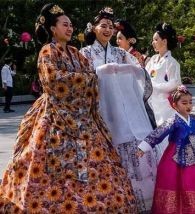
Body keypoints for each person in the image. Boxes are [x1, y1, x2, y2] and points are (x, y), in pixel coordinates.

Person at [0, 4, 137, 212]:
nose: (70, 28)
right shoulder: (47, 51)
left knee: (96, 165)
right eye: (65, 25)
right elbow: (53, 81)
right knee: (46, 164)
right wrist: (84, 80)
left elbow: (92, 76)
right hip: (54, 115)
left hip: (82, 117)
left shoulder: (75, 52)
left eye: (71, 25)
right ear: (53, 29)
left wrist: (84, 80)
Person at [80, 7, 157, 212]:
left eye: (111, 27)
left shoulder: (120, 53)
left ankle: (135, 198)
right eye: (103, 26)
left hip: (123, 110)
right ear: (93, 28)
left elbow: (140, 74)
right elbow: (80, 82)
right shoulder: (84, 53)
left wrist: (136, 71)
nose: (107, 30)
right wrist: (99, 73)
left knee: (130, 146)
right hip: (98, 109)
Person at [137, 85, 195, 213]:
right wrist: (144, 147)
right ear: (175, 105)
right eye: (184, 103)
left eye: (190, 102)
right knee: (177, 181)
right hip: (176, 154)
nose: (188, 106)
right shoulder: (173, 121)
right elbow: (159, 133)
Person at [145, 22, 182, 155]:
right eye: (153, 40)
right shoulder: (153, 59)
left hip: (165, 105)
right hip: (150, 102)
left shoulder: (172, 62)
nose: (153, 42)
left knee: (164, 134)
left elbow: (175, 83)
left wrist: (154, 86)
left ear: (164, 41)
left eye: (156, 40)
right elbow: (145, 76)